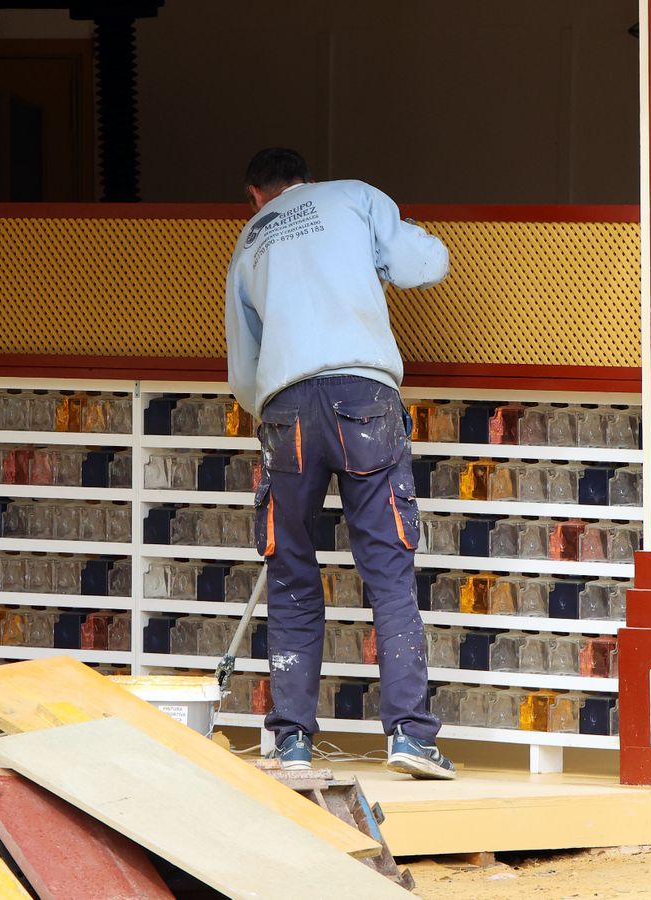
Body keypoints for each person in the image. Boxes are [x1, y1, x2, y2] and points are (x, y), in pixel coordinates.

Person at [222, 147, 454, 779]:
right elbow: (423, 266)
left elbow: (243, 368)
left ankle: (291, 739)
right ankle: (409, 735)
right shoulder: (354, 194)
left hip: (286, 411)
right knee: (388, 569)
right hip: (363, 400)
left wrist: (273, 410)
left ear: (256, 195)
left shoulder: (250, 238)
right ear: (308, 178)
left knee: (292, 576)